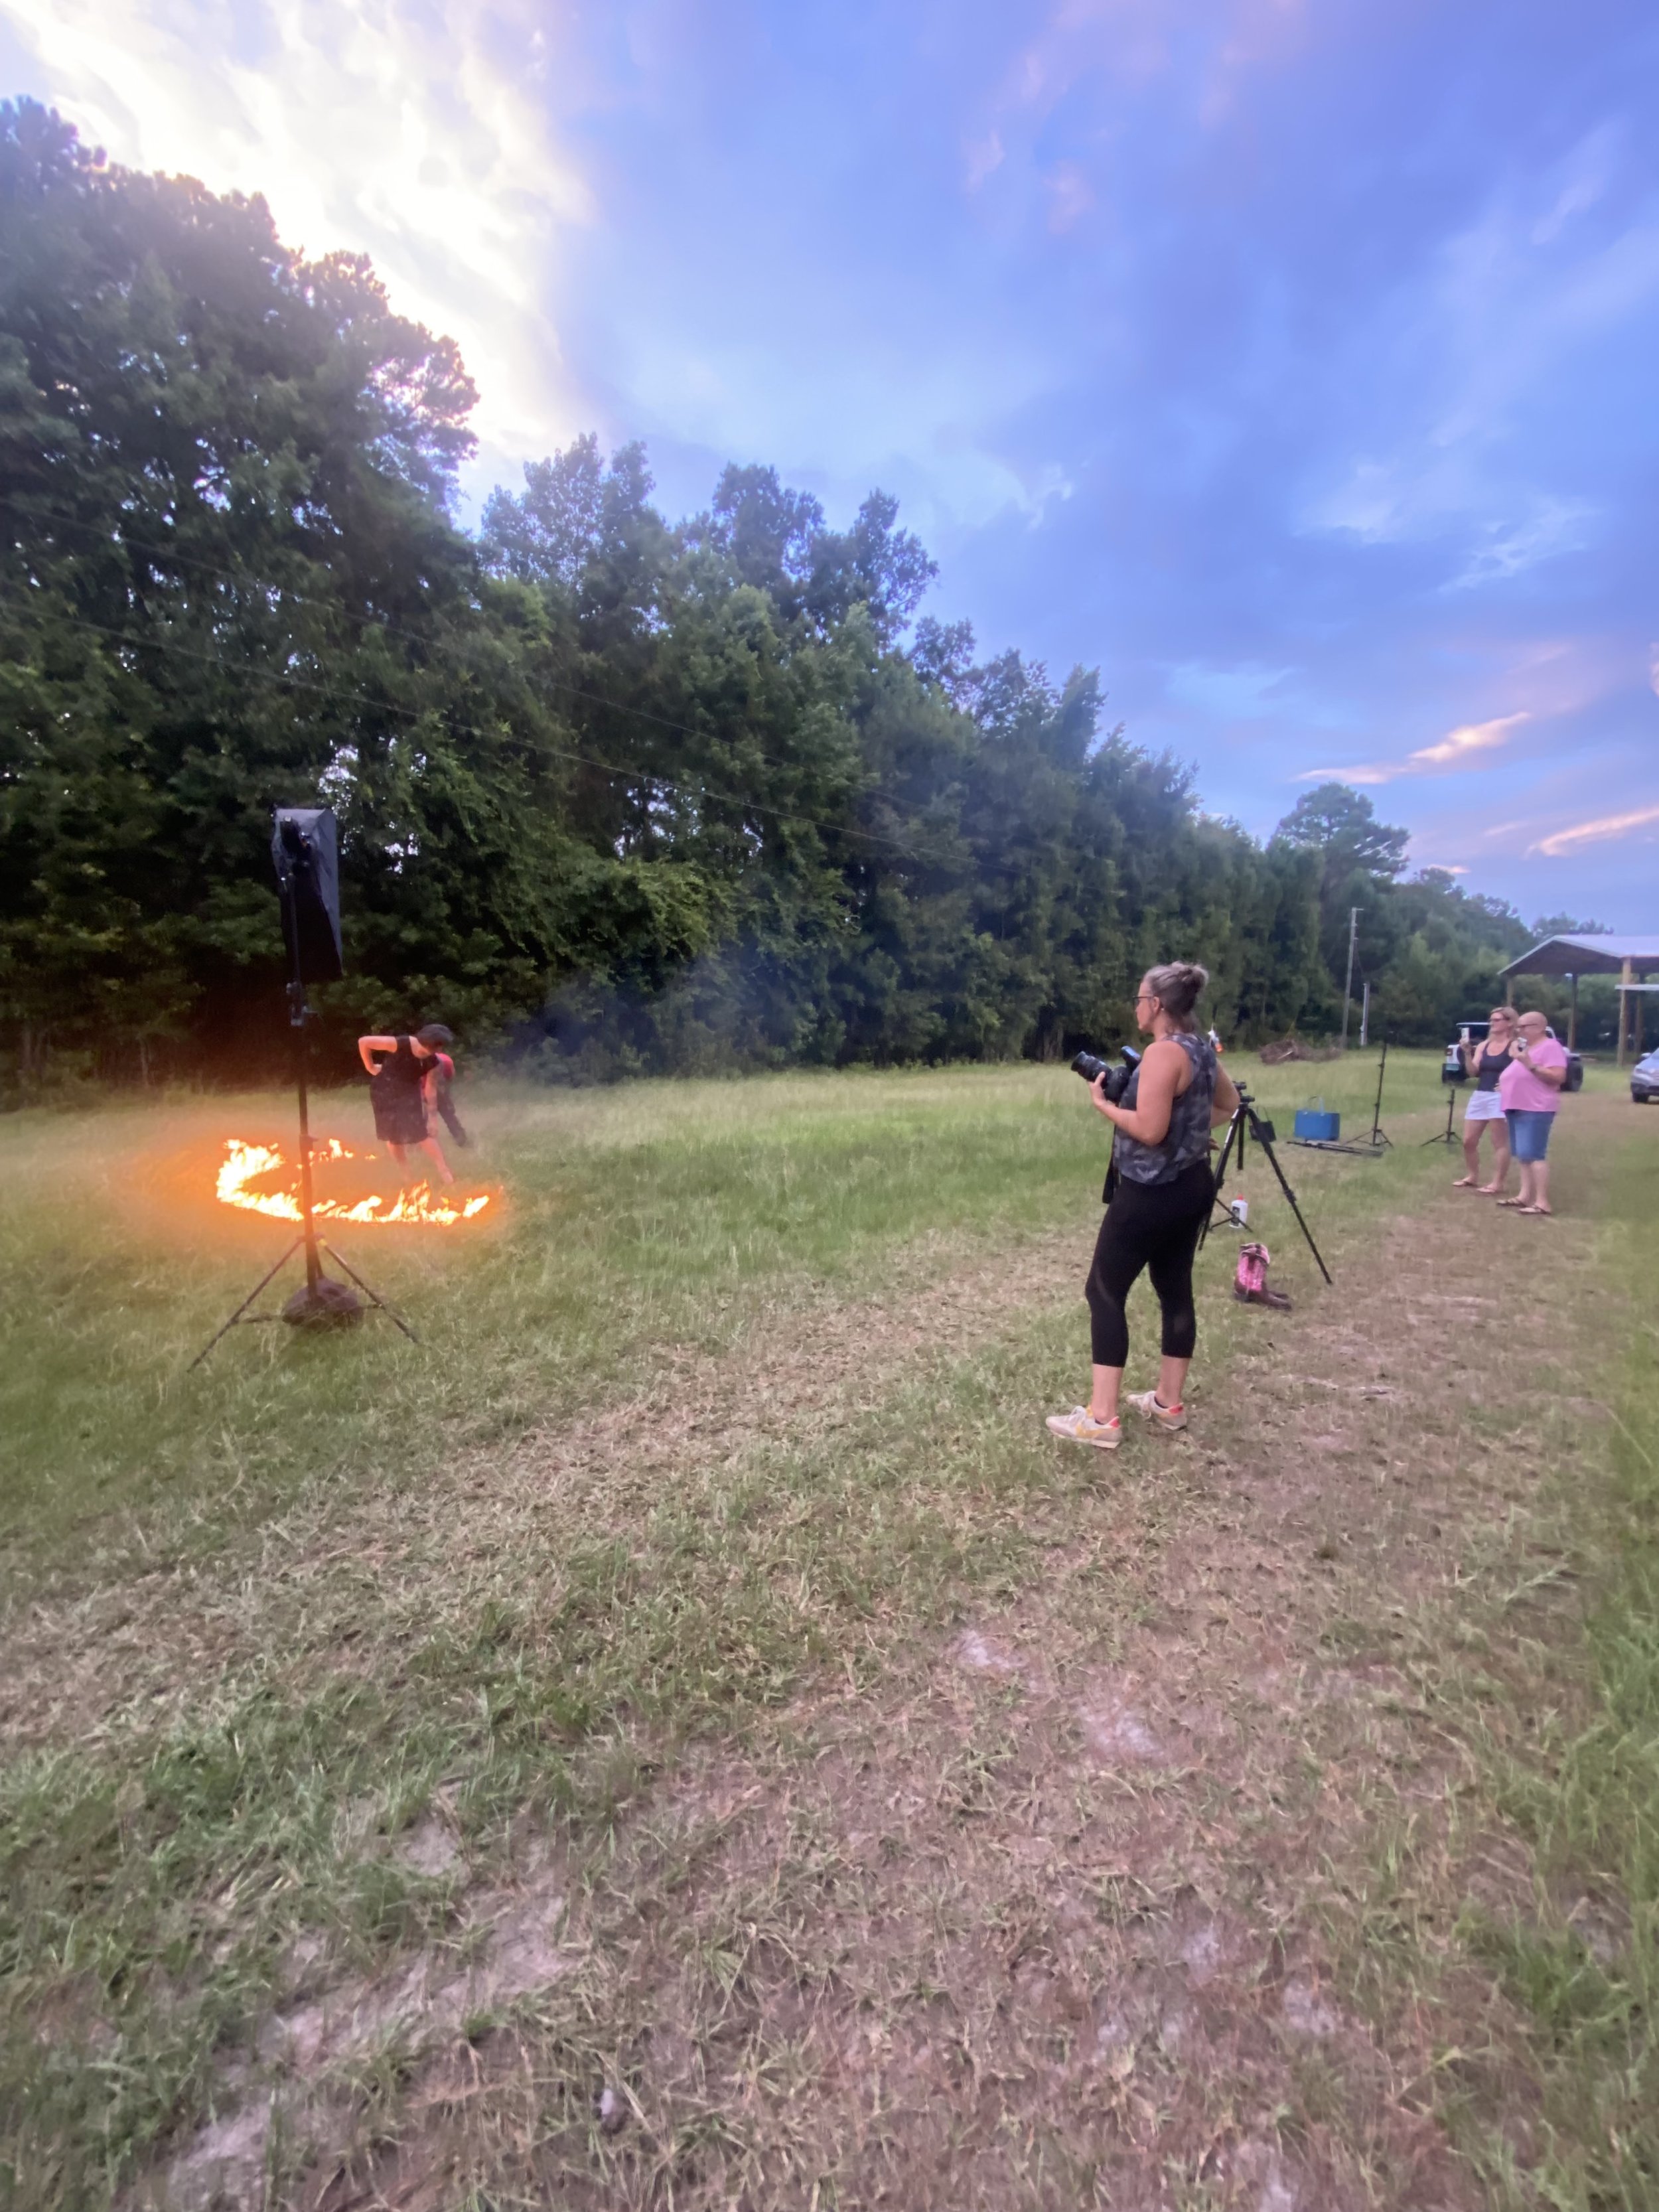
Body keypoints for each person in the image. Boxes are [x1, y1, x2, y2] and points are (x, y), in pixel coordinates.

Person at [1046, 962, 1240, 1451]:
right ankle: (1168, 1404)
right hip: (1192, 1186)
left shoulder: (1161, 1055)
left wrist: (1104, 1106)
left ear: (1156, 1004)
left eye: (1139, 999)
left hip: (1148, 1193)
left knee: (1104, 1291)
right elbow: (1230, 1103)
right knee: (1174, 1288)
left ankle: (1102, 1418)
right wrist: (1193, 1136)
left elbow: (1150, 1130)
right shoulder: (1201, 1049)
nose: (1135, 1006)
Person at [357, 1024, 460, 1186]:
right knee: (393, 1136)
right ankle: (406, 1173)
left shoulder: (435, 1062)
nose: (441, 1049)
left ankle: (444, 1171)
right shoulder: (401, 1044)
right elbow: (364, 1042)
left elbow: (430, 1089)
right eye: (440, 1045)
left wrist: (433, 1118)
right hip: (385, 1091)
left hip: (409, 1093)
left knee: (421, 1133)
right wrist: (370, 1066)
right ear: (433, 1044)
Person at [1495, 1009, 1568, 1216]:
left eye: (1523, 1027)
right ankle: (1524, 1196)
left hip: (1536, 1107)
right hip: (1517, 1105)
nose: (1519, 1030)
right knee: (1523, 1155)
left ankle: (1542, 1202)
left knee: (1535, 1154)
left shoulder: (1551, 1047)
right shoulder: (1527, 1047)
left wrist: (1529, 1064)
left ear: (1539, 1028)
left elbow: (1558, 1076)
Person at [1453, 1006, 1518, 1194]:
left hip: (1501, 1097)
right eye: (1491, 1020)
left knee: (1499, 1142)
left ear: (1509, 1023)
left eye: (1497, 1020)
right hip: (1481, 1094)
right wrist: (1467, 1053)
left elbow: (1522, 1069)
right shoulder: (1483, 1046)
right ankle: (1472, 1176)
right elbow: (1473, 1072)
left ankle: (1498, 1183)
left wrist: (1509, 1085)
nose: (1492, 1023)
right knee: (1468, 1141)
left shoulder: (1513, 1045)